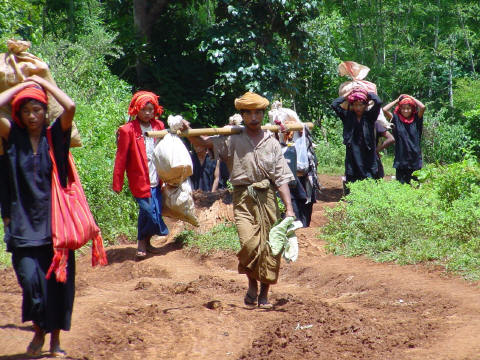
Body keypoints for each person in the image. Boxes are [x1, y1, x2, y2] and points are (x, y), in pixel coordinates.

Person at [184, 91, 295, 308]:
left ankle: (263, 293)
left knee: (271, 248)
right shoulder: (231, 139)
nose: (254, 118)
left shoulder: (271, 143)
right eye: (249, 113)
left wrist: (289, 208)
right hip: (243, 198)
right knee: (249, 244)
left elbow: (281, 177)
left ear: (263, 115)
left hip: (268, 198)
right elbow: (204, 142)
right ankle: (251, 282)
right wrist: (187, 130)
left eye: (258, 113)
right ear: (242, 115)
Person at [0, 75, 76, 357]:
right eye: (26, 111)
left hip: (56, 226)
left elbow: (70, 107)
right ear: (18, 114)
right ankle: (39, 329)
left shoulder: (54, 136)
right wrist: (22, 85)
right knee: (31, 281)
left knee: (58, 287)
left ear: (45, 112)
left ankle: (54, 340)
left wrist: (44, 85)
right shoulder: (13, 138)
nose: (32, 116)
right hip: (21, 225)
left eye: (37, 110)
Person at [113, 91, 169, 259]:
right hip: (139, 180)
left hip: (156, 177)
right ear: (136, 110)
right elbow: (121, 158)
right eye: (144, 109)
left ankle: (144, 243)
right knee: (149, 212)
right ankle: (142, 242)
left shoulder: (159, 126)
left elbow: (167, 151)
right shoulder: (127, 130)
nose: (147, 113)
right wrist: (118, 182)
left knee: (154, 212)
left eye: (151, 109)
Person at [331, 88, 383, 193]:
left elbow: (378, 102)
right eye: (355, 104)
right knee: (352, 185)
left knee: (369, 185)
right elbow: (334, 104)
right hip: (352, 158)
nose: (358, 107)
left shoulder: (370, 117)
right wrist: (348, 95)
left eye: (361, 104)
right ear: (351, 105)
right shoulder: (347, 116)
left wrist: (366, 93)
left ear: (365, 105)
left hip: (368, 157)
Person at [383, 94, 425, 184]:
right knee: (401, 185)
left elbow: (422, 107)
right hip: (401, 158)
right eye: (403, 108)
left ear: (412, 109)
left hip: (415, 158)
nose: (406, 110)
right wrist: (397, 100)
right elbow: (384, 110)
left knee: (415, 185)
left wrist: (411, 97)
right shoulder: (396, 119)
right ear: (400, 108)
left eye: (408, 108)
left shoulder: (417, 118)